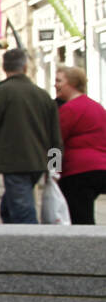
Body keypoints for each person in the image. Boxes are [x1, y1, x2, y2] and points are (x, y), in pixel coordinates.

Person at [0, 48, 62, 225]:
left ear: (4, 68)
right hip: (39, 162)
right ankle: (10, 242)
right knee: (9, 208)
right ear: (25, 67)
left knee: (23, 213)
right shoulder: (43, 95)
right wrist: (54, 167)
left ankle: (29, 247)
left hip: (15, 162)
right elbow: (55, 136)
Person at [53, 65, 106, 224]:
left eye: (59, 80)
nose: (55, 85)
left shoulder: (69, 109)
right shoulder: (97, 107)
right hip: (101, 169)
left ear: (72, 83)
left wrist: (53, 170)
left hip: (77, 172)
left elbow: (56, 141)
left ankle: (88, 248)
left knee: (80, 220)